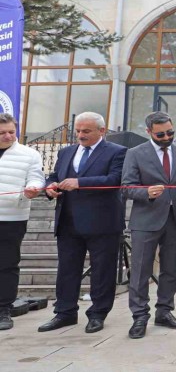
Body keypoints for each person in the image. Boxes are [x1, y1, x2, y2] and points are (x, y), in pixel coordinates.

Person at [39, 112, 127, 334]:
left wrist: (80, 183)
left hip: (103, 223)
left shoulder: (118, 152)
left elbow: (115, 180)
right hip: (68, 222)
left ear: (102, 131)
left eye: (86, 131)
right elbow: (54, 176)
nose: (80, 135)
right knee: (67, 270)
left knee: (102, 271)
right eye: (77, 131)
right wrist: (50, 187)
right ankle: (65, 312)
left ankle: (98, 314)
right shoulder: (66, 152)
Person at [121, 111, 176, 339]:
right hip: (145, 221)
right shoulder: (135, 154)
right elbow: (126, 187)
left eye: (170, 132)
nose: (167, 137)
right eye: (161, 134)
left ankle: (164, 312)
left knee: (170, 270)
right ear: (149, 132)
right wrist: (145, 192)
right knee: (140, 271)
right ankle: (139, 316)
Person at [0, 113, 44, 331]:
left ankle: (3, 310)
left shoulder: (30, 154)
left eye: (11, 131)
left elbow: (36, 177)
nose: (8, 136)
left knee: (7, 265)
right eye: (2, 133)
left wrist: (33, 188)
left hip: (11, 218)